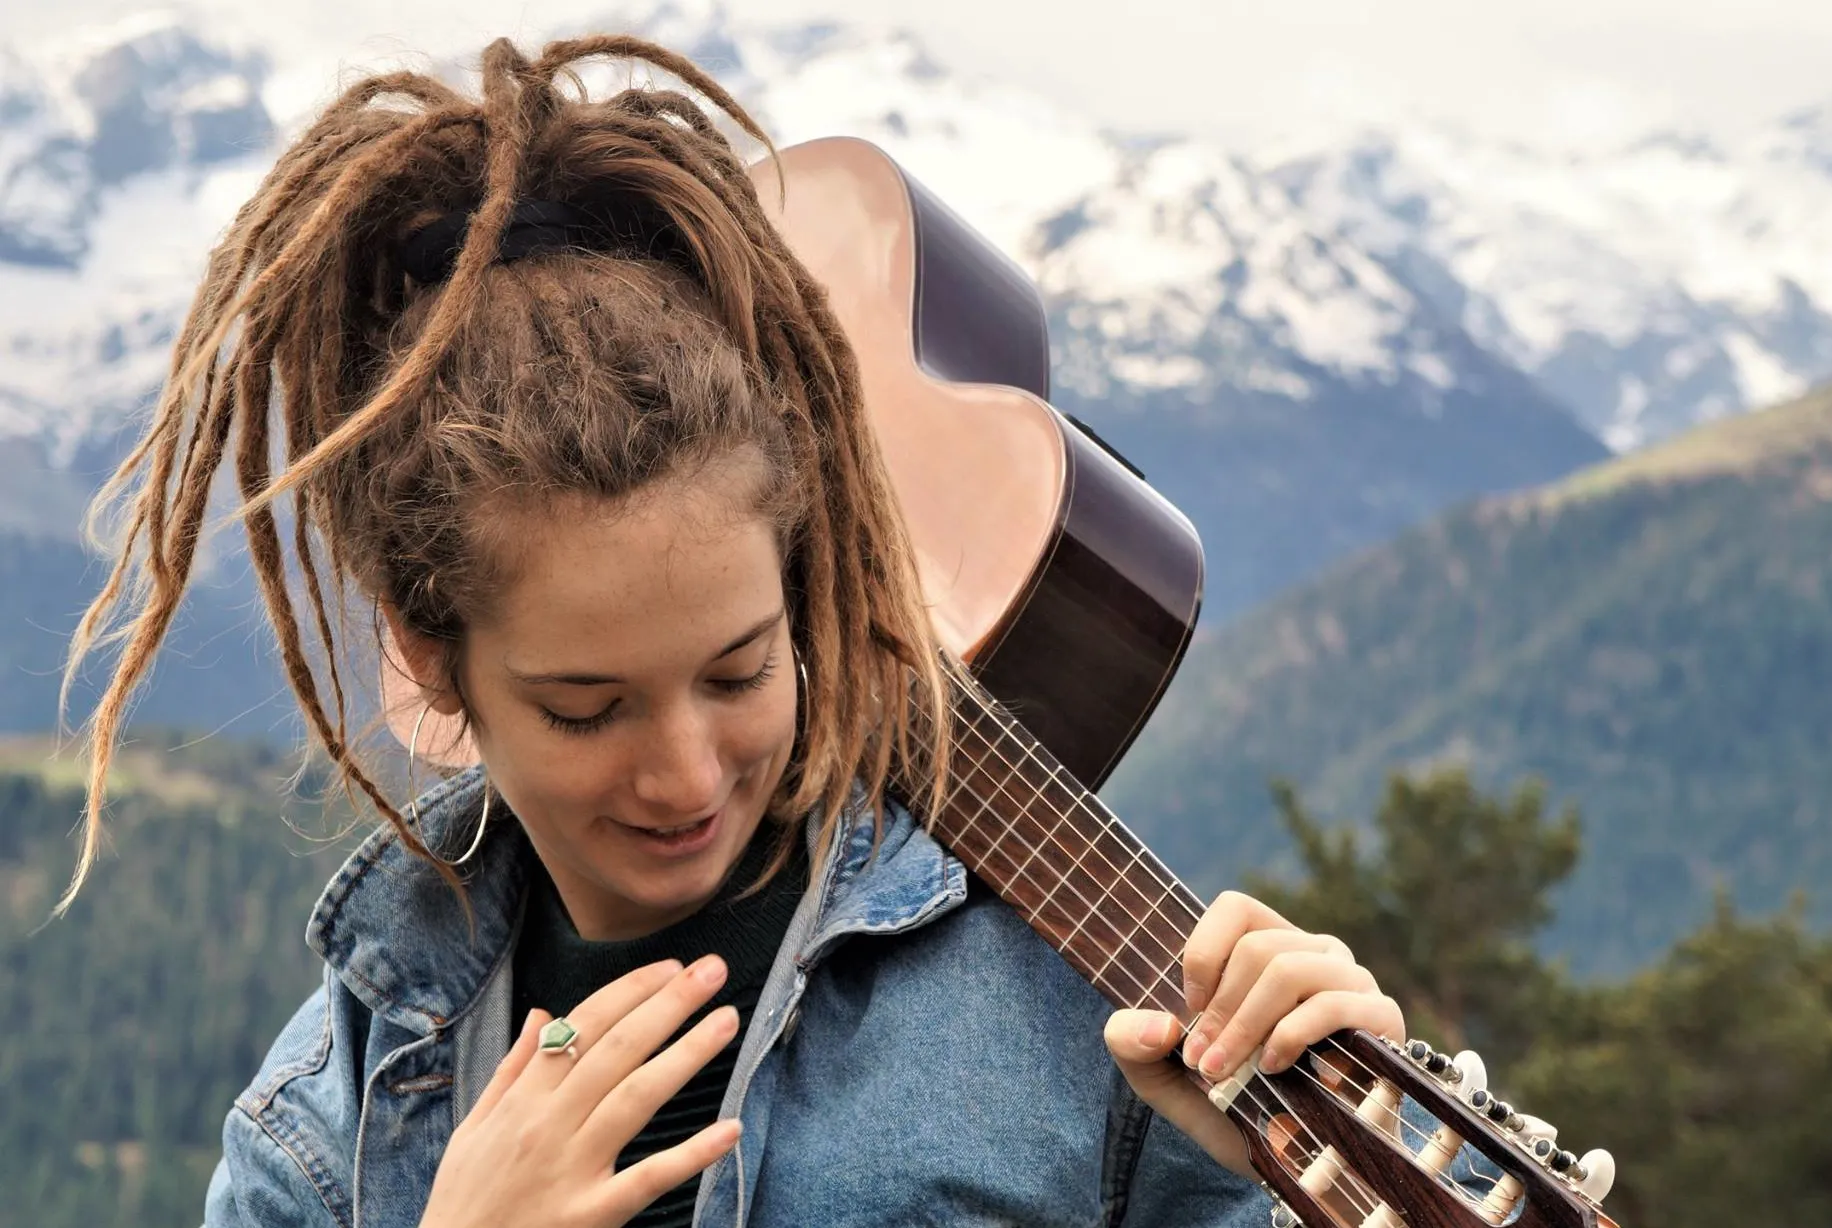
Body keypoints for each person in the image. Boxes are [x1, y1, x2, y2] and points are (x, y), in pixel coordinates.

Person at [60, 33, 1407, 1228]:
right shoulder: (331, 1118)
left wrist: (1337, 1192)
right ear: (431, 663)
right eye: (588, 708)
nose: (691, 773)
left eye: (742, 669)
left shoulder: (1082, 1008)